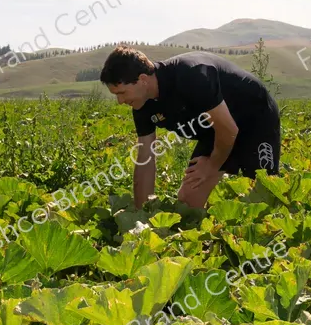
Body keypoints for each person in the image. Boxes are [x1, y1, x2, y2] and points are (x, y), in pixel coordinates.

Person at [99, 46, 281, 209]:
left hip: (255, 119)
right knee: (187, 203)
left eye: (122, 93)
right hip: (215, 132)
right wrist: (141, 218)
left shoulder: (192, 75)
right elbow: (145, 160)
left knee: (264, 198)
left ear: (143, 79)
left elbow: (229, 130)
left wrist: (212, 165)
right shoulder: (141, 104)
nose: (120, 101)